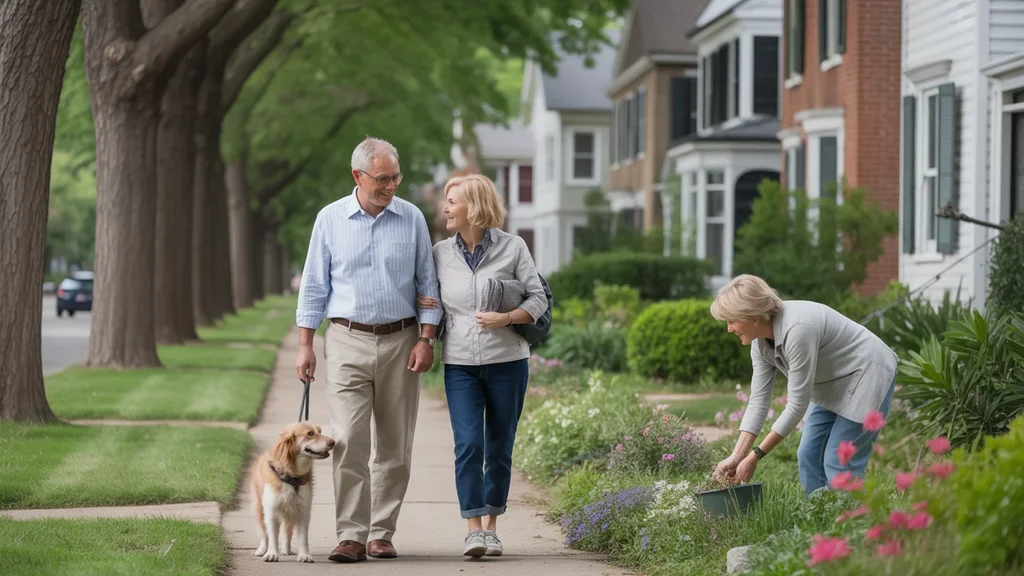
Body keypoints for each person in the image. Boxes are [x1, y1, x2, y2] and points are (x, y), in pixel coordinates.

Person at [294, 136, 442, 563]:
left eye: (396, 177)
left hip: (401, 340)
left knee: (395, 446)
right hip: (344, 340)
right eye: (382, 178)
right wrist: (306, 345)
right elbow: (314, 286)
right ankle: (350, 534)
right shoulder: (330, 219)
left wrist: (426, 338)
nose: (391, 185)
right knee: (348, 442)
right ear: (357, 176)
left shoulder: (411, 218)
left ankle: (381, 532)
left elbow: (426, 285)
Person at [417, 174, 547, 557]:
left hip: (507, 362)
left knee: (499, 446)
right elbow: (429, 302)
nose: (445, 208)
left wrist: (505, 318)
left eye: (452, 201)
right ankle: (473, 527)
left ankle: (492, 525)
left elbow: (538, 299)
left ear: (473, 206)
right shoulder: (440, 253)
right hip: (460, 364)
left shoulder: (514, 247)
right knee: (469, 445)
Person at [709, 274, 898, 495]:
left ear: (754, 317)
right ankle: (821, 522)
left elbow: (797, 404)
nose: (729, 329)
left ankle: (852, 525)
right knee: (809, 455)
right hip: (830, 382)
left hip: (867, 374)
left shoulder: (797, 329)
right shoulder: (759, 343)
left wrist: (756, 455)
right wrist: (737, 456)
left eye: (731, 320)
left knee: (838, 461)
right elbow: (759, 400)